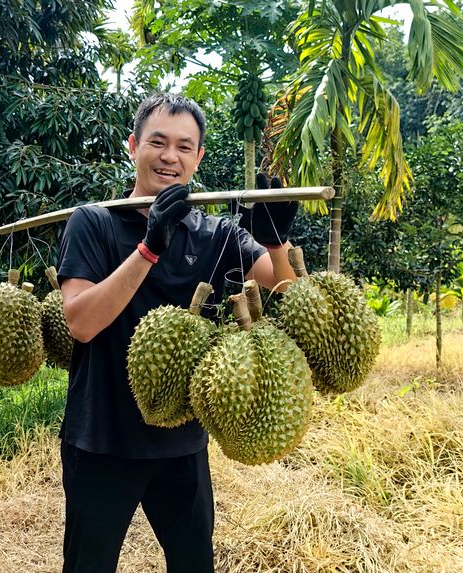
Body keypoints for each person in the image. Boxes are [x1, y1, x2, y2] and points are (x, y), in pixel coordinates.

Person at [57, 92, 299, 573]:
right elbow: (80, 323)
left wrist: (277, 240)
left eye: (184, 147)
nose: (170, 157)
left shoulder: (216, 232)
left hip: (182, 443)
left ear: (198, 157)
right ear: (133, 145)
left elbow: (287, 294)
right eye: (158, 142)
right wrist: (149, 248)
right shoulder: (94, 222)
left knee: (194, 565)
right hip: (103, 439)